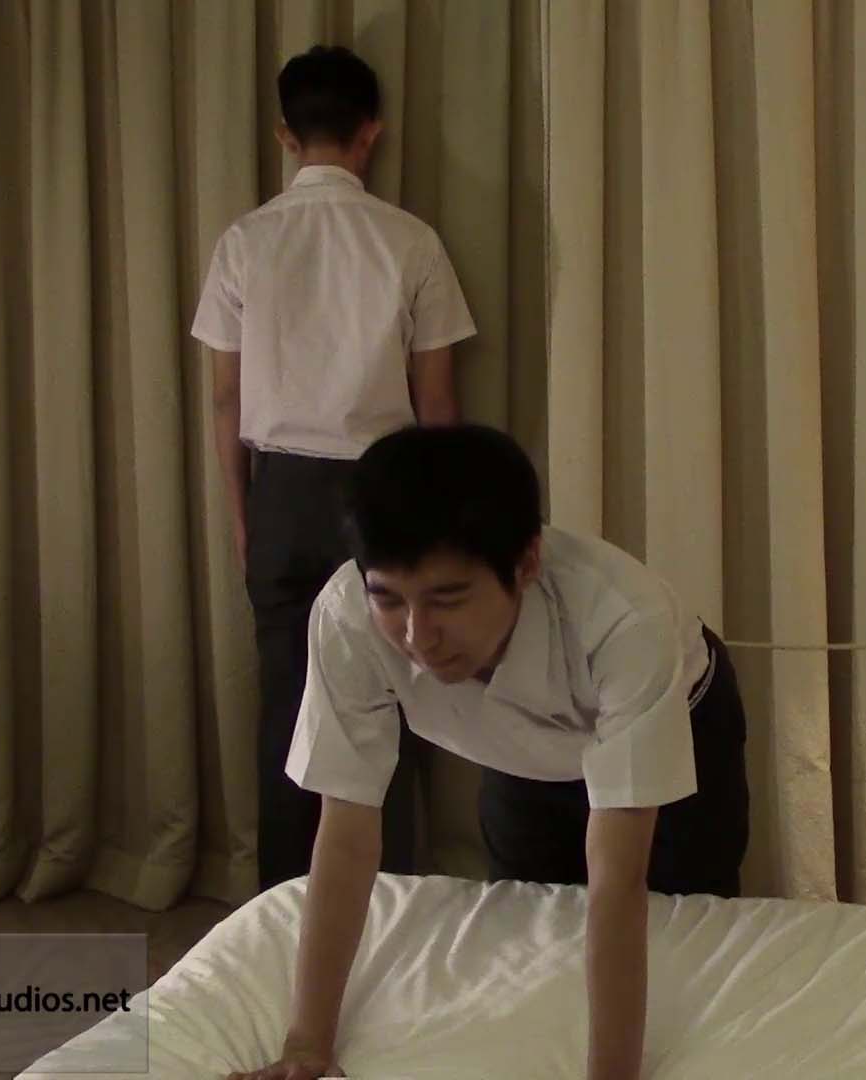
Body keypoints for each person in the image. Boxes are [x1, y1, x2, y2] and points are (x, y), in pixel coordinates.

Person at [229, 423, 751, 1080]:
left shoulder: (624, 619)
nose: (418, 637)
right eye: (390, 599)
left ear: (527, 564)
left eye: (447, 600)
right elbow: (348, 831)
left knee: (687, 927)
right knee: (528, 926)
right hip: (514, 751)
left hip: (682, 719)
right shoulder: (346, 616)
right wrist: (307, 1043)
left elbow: (618, 879)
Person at [191, 44, 477, 891]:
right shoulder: (410, 241)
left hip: (279, 491)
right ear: (372, 132)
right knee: (389, 701)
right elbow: (439, 407)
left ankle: (286, 907)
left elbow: (224, 401)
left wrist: (244, 517)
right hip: (385, 493)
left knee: (288, 709)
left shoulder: (245, 242)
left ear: (285, 134)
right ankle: (385, 900)